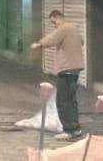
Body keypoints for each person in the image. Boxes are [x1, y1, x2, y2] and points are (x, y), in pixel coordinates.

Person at [31, 10, 86, 141]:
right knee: (71, 100)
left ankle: (70, 130)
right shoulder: (75, 29)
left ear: (59, 18)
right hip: (74, 69)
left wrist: (39, 44)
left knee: (63, 101)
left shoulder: (65, 28)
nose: (54, 25)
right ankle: (75, 129)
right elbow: (81, 42)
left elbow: (53, 38)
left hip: (66, 68)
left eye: (54, 22)